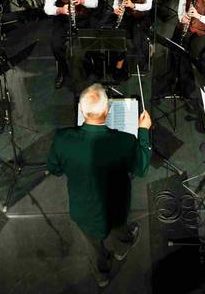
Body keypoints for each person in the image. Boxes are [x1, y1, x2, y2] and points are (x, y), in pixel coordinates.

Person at [46, 84, 151, 288]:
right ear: (107, 110)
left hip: (82, 210)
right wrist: (144, 131)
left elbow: (54, 169)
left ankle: (102, 276)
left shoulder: (62, 139)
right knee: (119, 229)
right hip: (116, 208)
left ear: (81, 109)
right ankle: (121, 249)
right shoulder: (125, 141)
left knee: (92, 244)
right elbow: (141, 168)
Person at [45, 0, 100, 90]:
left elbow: (95, 2)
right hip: (63, 19)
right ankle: (63, 70)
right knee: (56, 45)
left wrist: (82, 0)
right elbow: (47, 8)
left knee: (91, 43)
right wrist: (60, 10)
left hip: (82, 18)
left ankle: (89, 69)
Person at [109, 0, 154, 80]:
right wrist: (116, 8)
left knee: (138, 39)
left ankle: (142, 61)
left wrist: (133, 5)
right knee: (120, 37)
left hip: (141, 16)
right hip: (126, 15)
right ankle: (120, 64)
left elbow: (148, 5)